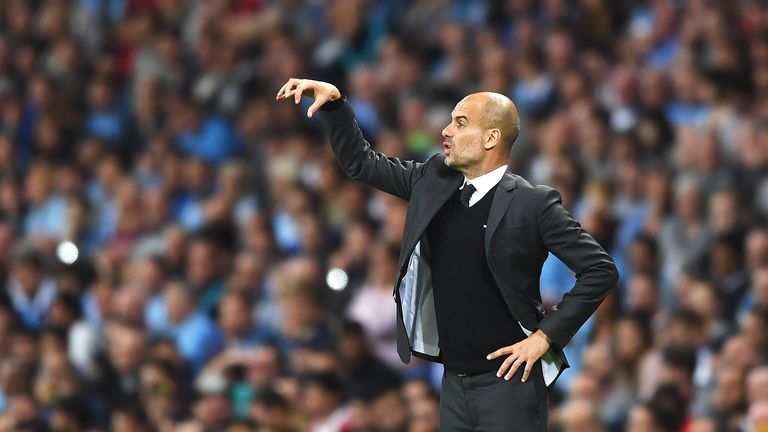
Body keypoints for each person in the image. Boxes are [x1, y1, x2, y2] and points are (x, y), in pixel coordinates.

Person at [276, 78, 618, 431]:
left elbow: (599, 269)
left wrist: (545, 337)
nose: (445, 130)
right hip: (452, 383)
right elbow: (361, 164)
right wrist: (335, 105)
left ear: (491, 138)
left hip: (510, 386)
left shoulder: (533, 204)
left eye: (460, 122)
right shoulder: (433, 180)